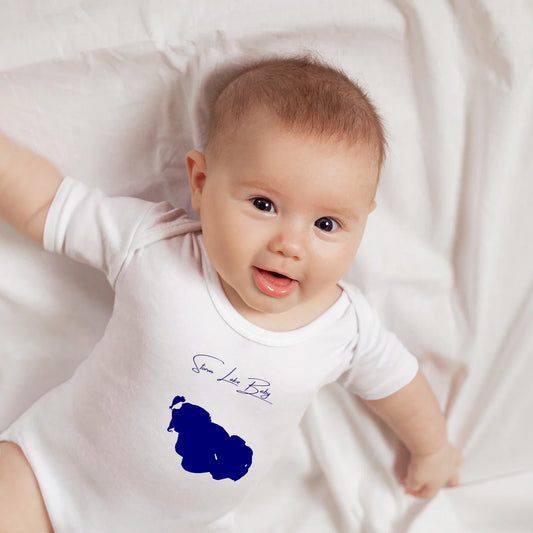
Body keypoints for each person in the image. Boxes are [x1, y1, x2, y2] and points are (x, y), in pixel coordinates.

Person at [0, 55, 461, 532]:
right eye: (264, 204)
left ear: (363, 222)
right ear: (200, 183)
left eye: (326, 224)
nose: (290, 244)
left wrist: (432, 450)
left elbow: (400, 387)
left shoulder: (344, 329)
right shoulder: (154, 246)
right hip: (51, 477)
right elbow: (48, 204)